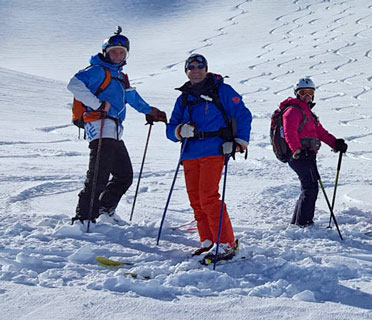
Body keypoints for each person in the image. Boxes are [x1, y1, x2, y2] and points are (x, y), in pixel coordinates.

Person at [68, 27, 167, 225]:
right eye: (114, 51)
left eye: (122, 52)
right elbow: (74, 84)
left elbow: (131, 97)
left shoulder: (121, 77)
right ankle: (84, 218)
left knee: (124, 175)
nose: (118, 55)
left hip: (113, 129)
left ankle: (104, 210)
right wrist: (97, 104)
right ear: (106, 52)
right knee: (99, 174)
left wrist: (150, 111)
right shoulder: (97, 70)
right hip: (100, 125)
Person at [166, 54, 252, 261]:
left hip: (215, 149)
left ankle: (226, 243)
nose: (195, 70)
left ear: (206, 69)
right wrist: (179, 131)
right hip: (189, 153)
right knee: (195, 199)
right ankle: (208, 241)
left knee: (208, 197)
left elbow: (243, 114)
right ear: (186, 71)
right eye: (191, 67)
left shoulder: (222, 90)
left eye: (200, 66)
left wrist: (240, 141)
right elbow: (170, 129)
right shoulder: (184, 97)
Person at [280, 77, 347, 227]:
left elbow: (320, 133)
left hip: (308, 155)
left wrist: (336, 143)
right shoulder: (292, 111)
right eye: (303, 92)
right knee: (311, 188)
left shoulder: (308, 113)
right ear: (297, 94)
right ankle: (304, 223)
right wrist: (298, 151)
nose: (307, 96)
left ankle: (298, 222)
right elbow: (289, 133)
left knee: (308, 187)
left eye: (310, 92)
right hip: (299, 156)